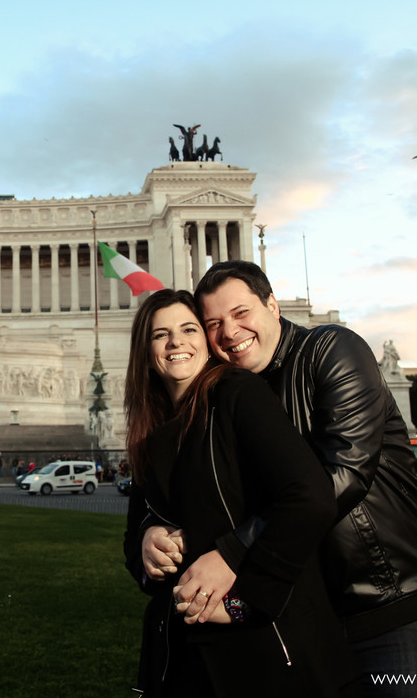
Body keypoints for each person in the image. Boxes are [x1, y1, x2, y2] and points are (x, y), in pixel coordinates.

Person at [180, 260, 417, 695]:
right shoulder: (236, 393)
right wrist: (153, 529)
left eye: (240, 313)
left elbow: (344, 474)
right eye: (213, 323)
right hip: (311, 616)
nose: (229, 332)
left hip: (395, 603)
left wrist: (233, 551)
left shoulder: (331, 349)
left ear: (272, 306)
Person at [123, 289, 359, 696]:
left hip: (265, 647)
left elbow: (310, 496)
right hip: (182, 655)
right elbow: (134, 533)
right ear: (145, 352)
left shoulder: (238, 394)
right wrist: (148, 543)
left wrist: (239, 588)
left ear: (206, 342)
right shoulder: (149, 431)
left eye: (189, 329)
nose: (176, 342)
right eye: (160, 335)